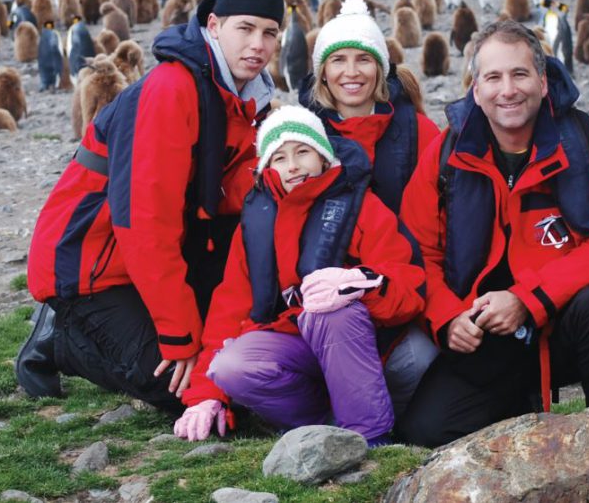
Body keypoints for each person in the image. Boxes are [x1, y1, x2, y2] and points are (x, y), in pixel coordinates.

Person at [17, 0, 285, 412]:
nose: (258, 44)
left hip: (166, 252)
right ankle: (61, 337)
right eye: (246, 28)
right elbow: (143, 221)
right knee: (179, 387)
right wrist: (179, 333)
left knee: (223, 366)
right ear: (214, 26)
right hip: (94, 266)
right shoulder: (172, 90)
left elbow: (221, 186)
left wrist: (276, 174)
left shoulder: (239, 94)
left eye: (270, 33)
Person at [397, 19, 589, 448]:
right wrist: (446, 320)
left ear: (544, 81)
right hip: (487, 332)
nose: (507, 90)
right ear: (475, 90)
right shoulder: (446, 156)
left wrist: (528, 300)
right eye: (493, 77)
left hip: (566, 325)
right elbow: (419, 255)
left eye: (519, 74)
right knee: (426, 434)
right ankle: (517, 404)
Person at [173, 105, 426, 444]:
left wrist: (363, 283)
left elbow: (410, 286)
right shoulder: (255, 225)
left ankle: (370, 436)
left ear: (323, 157)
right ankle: (324, 429)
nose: (292, 165)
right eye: (278, 158)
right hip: (296, 349)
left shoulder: (362, 207)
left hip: (365, 349)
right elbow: (228, 311)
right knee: (230, 366)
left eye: (302, 152)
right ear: (266, 169)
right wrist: (206, 394)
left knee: (331, 312)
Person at [299, 0, 441, 415]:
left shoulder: (417, 131)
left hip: (402, 289)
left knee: (421, 359)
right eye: (338, 60)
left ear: (381, 67)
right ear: (321, 71)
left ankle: (374, 416)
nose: (351, 72)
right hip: (322, 296)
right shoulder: (303, 136)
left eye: (363, 59)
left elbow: (447, 215)